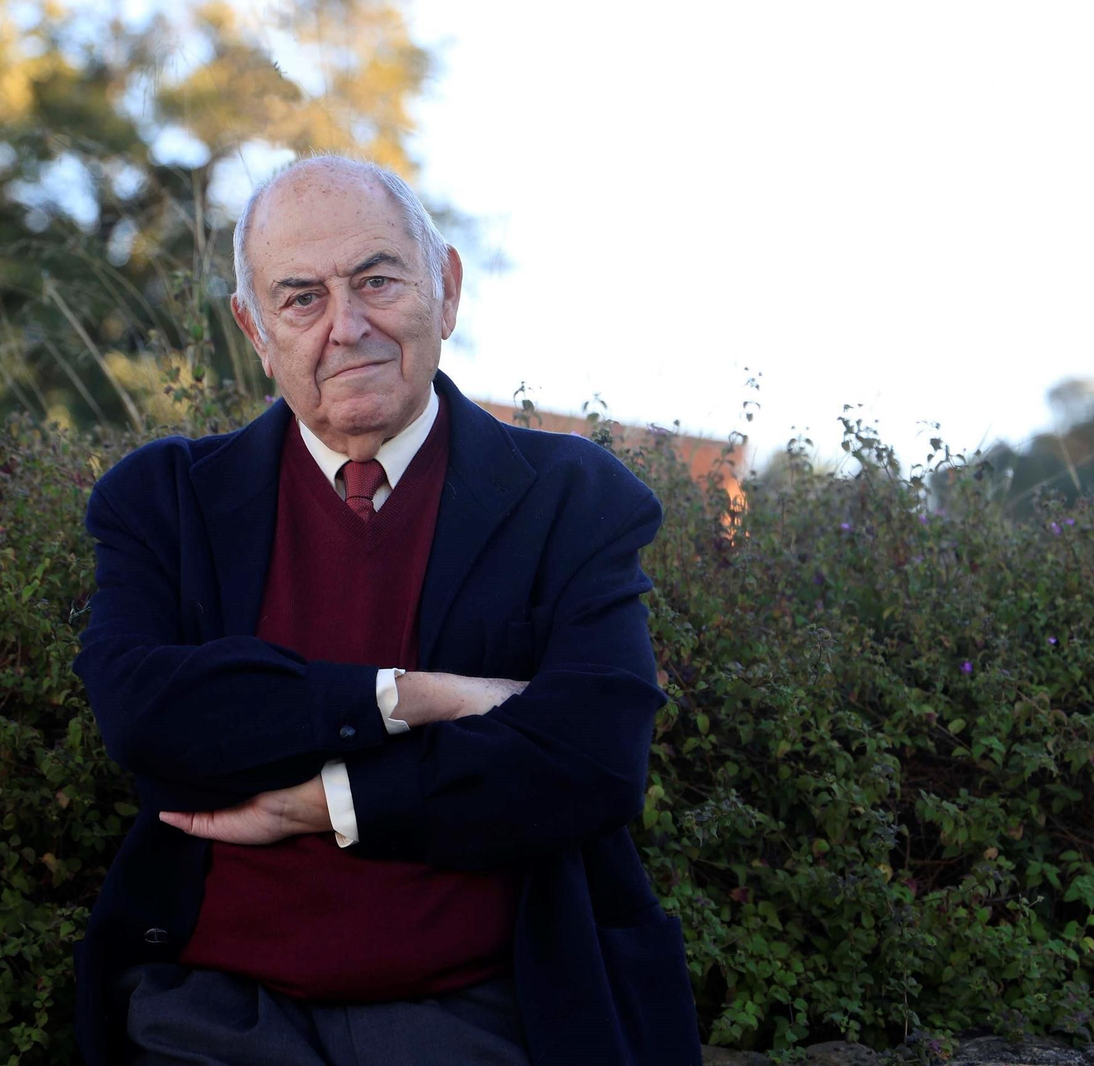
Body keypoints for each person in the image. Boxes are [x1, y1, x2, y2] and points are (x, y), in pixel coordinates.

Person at [71, 154, 702, 1065]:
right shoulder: (164, 501)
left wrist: (327, 802)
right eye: (302, 297)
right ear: (255, 327)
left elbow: (592, 759)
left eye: (376, 279)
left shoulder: (573, 498)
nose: (347, 326)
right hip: (216, 1016)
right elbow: (147, 715)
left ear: (444, 288)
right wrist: (415, 697)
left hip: (482, 1012)